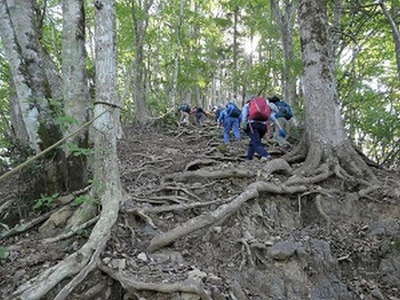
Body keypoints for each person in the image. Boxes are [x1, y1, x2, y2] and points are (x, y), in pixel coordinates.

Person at [241, 96, 286, 160]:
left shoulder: (248, 105)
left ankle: (266, 155)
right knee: (254, 141)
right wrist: (280, 128)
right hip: (263, 127)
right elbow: (273, 118)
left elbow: (244, 114)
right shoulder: (265, 106)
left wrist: (243, 124)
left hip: (253, 125)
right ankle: (249, 157)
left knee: (256, 142)